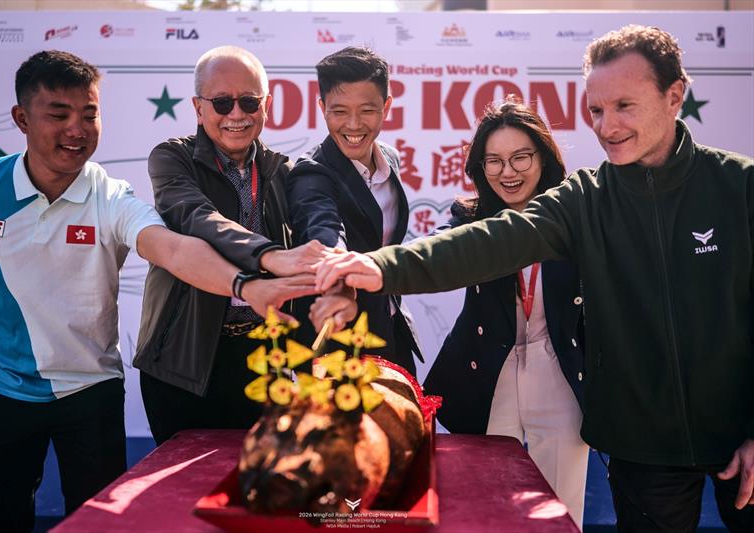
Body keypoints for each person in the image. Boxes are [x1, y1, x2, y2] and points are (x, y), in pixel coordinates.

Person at [315, 25, 754, 532]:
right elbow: (487, 242)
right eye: (595, 110)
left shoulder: (738, 187)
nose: (606, 127)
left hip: (740, 437)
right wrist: (377, 266)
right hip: (643, 452)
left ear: (675, 95)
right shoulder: (585, 200)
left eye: (624, 107)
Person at [0, 50, 314, 533]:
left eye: (89, 114)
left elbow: (173, 249)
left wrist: (245, 286)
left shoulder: (111, 195)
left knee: (99, 524)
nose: (77, 130)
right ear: (21, 118)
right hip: (3, 393)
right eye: (58, 115)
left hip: (92, 392)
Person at [133, 46, 325, 445]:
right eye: (221, 102)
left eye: (249, 101)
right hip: (182, 362)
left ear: (266, 105)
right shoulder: (172, 158)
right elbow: (197, 219)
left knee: (258, 488)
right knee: (179, 495)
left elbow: (319, 227)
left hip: (263, 361)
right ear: (198, 108)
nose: (236, 114)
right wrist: (269, 255)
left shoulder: (283, 171)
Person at [422, 97, 589, 528]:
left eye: (520, 157)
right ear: (480, 166)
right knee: (488, 504)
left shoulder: (574, 216)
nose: (508, 172)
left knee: (561, 504)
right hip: (489, 371)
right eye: (494, 161)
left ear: (543, 158)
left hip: (560, 368)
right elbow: (437, 254)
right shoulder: (471, 218)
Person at [287, 46, 422, 374]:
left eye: (367, 110)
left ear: (387, 106)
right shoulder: (312, 173)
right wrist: (339, 284)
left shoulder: (389, 158)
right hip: (336, 346)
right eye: (339, 111)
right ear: (321, 108)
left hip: (391, 333)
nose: (353, 125)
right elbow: (325, 231)